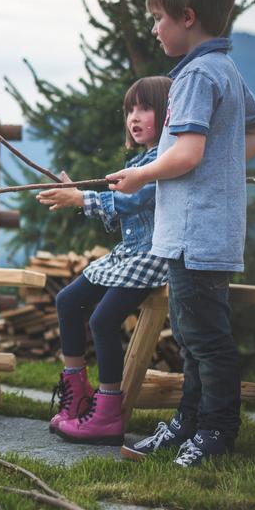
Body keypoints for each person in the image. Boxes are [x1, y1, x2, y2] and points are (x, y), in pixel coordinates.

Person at [108, 0, 255, 466]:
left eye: (158, 17)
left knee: (205, 338)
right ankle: (188, 423)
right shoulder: (223, 67)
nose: (154, 28)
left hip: (196, 233)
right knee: (192, 334)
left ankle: (218, 430)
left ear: (186, 16)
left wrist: (139, 174)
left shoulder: (194, 77)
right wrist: (225, 167)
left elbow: (187, 154)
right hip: (204, 232)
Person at [39, 76, 171, 445]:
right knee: (67, 300)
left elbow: (132, 201)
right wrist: (76, 193)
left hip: (152, 257)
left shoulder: (163, 160)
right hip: (130, 253)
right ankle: (77, 395)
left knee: (104, 319)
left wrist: (81, 199)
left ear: (167, 113)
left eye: (145, 108)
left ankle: (108, 413)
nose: (134, 116)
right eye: (130, 109)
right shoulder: (141, 159)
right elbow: (120, 215)